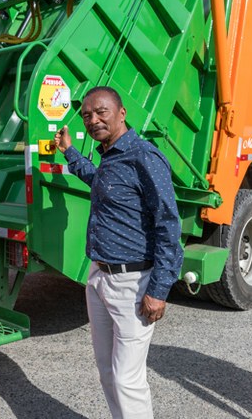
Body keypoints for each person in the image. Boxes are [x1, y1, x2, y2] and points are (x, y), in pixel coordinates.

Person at [53, 86, 184, 419]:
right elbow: (97, 181)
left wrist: (158, 290)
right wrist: (69, 152)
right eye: (86, 115)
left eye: (101, 112)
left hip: (133, 283)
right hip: (99, 277)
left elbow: (168, 223)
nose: (93, 120)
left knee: (127, 377)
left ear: (122, 113)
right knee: (107, 370)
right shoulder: (109, 156)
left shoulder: (143, 156)